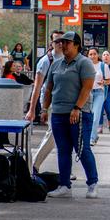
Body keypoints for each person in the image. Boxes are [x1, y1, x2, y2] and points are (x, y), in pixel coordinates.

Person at [42, 31, 98, 198]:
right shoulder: (56, 64)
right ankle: (64, 184)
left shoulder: (84, 63)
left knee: (82, 149)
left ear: (76, 45)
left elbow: (87, 87)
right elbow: (49, 88)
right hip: (58, 113)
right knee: (63, 150)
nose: (63, 45)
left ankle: (92, 183)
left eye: (67, 42)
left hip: (78, 113)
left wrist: (77, 108)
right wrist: (45, 109)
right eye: (61, 42)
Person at [26, 30, 65, 174]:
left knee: (64, 136)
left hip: (67, 101)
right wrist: (32, 110)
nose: (60, 44)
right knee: (54, 133)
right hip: (51, 102)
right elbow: (37, 87)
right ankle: (34, 164)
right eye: (57, 41)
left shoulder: (70, 58)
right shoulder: (45, 61)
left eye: (63, 41)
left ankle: (65, 168)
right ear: (51, 43)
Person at [88, 48, 110, 145]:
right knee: (88, 116)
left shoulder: (103, 66)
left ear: (98, 55)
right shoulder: (85, 66)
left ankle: (92, 139)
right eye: (90, 54)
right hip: (87, 93)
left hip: (99, 93)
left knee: (96, 116)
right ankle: (94, 135)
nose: (92, 56)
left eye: (94, 54)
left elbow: (108, 81)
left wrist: (103, 82)